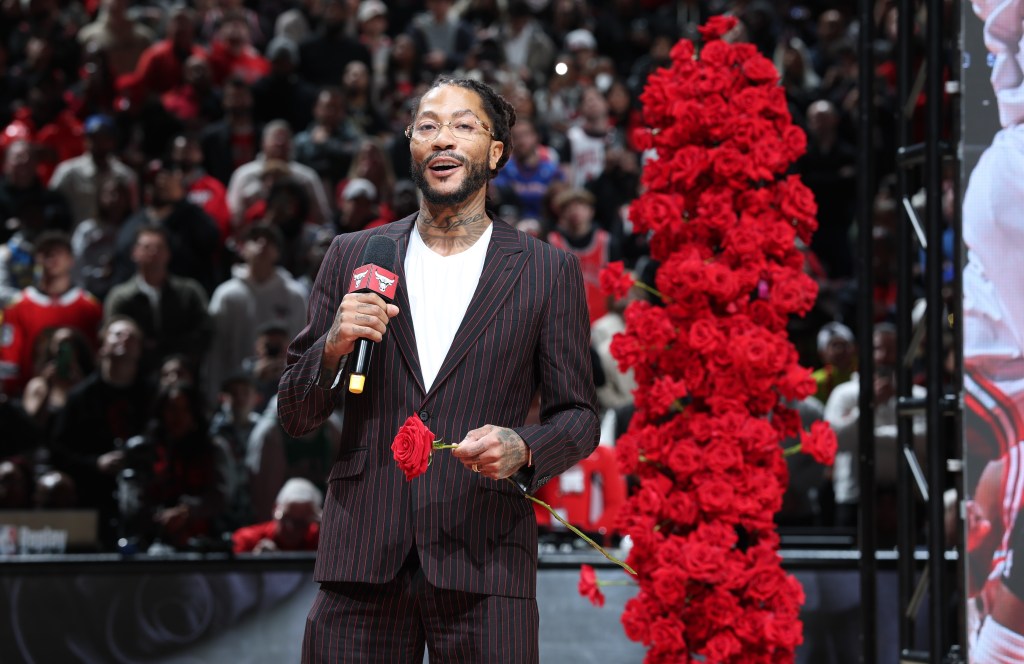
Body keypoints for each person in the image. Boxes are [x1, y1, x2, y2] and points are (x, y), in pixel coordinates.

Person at [278, 76, 599, 662]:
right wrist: (331, 344)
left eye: (463, 125)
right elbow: (296, 414)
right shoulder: (355, 254)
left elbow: (578, 416)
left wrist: (524, 447)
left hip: (486, 554)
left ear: (496, 152)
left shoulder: (546, 271)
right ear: (410, 143)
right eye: (427, 125)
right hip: (362, 556)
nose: (442, 139)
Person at [231, 477, 321, 554]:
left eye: (300, 523)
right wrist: (253, 563)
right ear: (275, 509)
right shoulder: (248, 540)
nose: (290, 528)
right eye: (285, 517)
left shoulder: (320, 541)